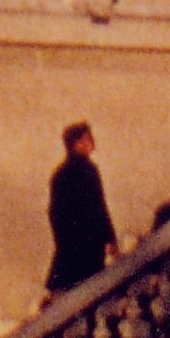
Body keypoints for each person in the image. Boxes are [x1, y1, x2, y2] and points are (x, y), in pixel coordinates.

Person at [43, 119, 119, 293]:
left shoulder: (88, 171)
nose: (91, 143)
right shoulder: (63, 175)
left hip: (89, 245)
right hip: (75, 246)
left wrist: (109, 239)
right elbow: (57, 214)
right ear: (75, 144)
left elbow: (99, 207)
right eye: (86, 139)